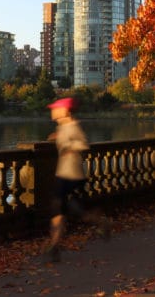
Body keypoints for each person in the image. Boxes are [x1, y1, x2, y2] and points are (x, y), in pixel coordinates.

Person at [44, 96, 111, 262]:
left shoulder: (73, 126)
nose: (52, 111)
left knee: (71, 211)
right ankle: (55, 246)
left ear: (64, 111)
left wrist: (68, 147)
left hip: (72, 176)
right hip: (63, 175)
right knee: (59, 210)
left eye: (55, 108)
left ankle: (101, 222)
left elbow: (83, 144)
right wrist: (57, 137)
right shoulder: (64, 127)